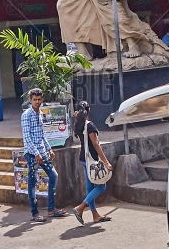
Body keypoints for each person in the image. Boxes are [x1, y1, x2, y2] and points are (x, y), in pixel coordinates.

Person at [20, 87, 64, 223]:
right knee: (32, 183)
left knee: (53, 175)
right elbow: (27, 137)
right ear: (30, 100)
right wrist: (37, 154)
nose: (37, 102)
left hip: (42, 151)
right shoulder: (26, 115)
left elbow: (41, 134)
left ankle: (51, 209)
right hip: (31, 153)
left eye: (39, 99)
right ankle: (35, 213)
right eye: (34, 100)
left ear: (42, 100)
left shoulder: (40, 113)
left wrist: (49, 149)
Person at [69, 101, 112, 226]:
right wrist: (106, 162)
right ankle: (80, 207)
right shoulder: (90, 126)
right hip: (92, 160)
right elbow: (96, 145)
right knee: (101, 186)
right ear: (88, 110)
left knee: (90, 188)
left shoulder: (79, 124)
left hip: (83, 159)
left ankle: (95, 215)